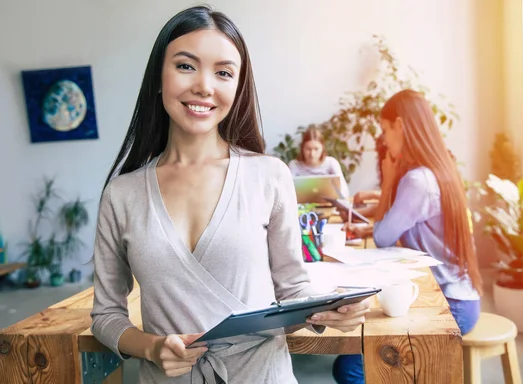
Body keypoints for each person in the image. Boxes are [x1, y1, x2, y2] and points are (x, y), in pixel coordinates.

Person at [90, 6, 370, 383]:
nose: (205, 85)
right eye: (186, 66)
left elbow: (293, 290)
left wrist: (329, 311)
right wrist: (153, 347)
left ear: (237, 88)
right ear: (159, 77)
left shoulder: (269, 175)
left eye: (223, 72)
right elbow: (106, 315)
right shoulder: (121, 195)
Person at [333, 89, 482, 384]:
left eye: (386, 129)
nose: (385, 139)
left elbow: (383, 237)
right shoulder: (438, 170)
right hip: (460, 296)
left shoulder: (417, 180)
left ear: (400, 126)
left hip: (449, 305)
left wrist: (389, 177)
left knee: (349, 368)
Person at [288, 127, 350, 198]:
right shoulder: (294, 165)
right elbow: (289, 190)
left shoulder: (331, 163)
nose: (312, 154)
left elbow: (344, 190)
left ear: (322, 148)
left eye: (316, 149)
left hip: (328, 204)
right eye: (308, 149)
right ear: (302, 148)